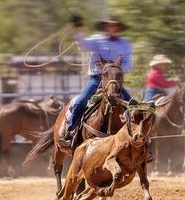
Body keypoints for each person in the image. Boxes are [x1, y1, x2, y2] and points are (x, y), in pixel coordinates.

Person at [59, 13, 138, 148]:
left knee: (134, 107)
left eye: (115, 26)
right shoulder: (96, 40)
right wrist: (78, 30)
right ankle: (70, 134)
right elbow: (83, 46)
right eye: (110, 25)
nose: (112, 28)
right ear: (105, 27)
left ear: (118, 28)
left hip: (115, 82)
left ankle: (138, 140)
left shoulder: (125, 44)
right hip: (96, 80)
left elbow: (129, 66)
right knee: (80, 101)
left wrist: (111, 67)